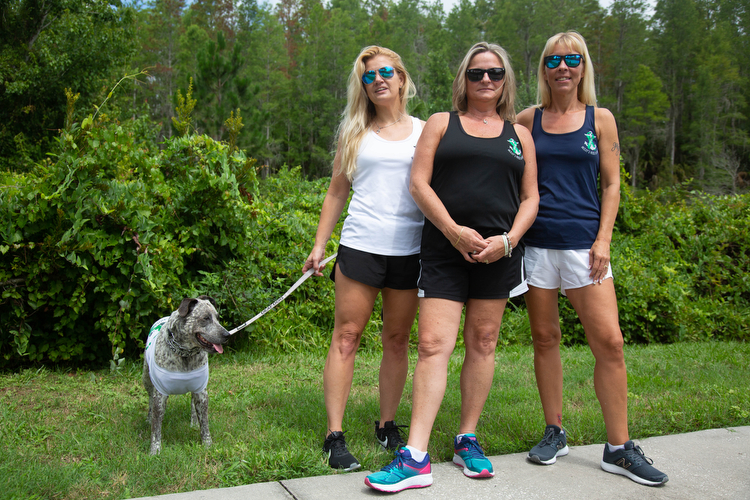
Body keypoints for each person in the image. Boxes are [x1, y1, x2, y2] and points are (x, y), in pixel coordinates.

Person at [364, 42, 539, 492]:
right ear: (464, 78)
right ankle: (416, 457)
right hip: (445, 249)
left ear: (505, 81)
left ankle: (467, 439)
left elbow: (531, 197)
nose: (486, 81)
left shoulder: (519, 135)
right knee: (433, 344)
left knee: (483, 341)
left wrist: (508, 240)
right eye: (477, 73)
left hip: (497, 253)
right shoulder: (443, 124)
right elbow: (418, 183)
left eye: (495, 74)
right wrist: (453, 231)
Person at [516, 31, 668, 486]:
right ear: (544, 67)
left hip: (585, 246)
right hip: (538, 246)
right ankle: (554, 430)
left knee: (611, 342)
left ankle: (618, 448)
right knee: (545, 339)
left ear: (584, 67)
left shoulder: (600, 119)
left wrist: (603, 241)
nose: (563, 67)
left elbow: (611, 186)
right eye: (554, 59)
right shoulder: (528, 119)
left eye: (573, 59)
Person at [302, 46, 426, 472]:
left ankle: (387, 425)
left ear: (403, 78)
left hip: (411, 251)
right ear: (364, 86)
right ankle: (334, 436)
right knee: (346, 337)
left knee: (396, 340)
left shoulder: (427, 132)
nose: (379, 80)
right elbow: (337, 191)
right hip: (360, 248)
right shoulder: (354, 133)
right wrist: (320, 244)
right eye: (369, 76)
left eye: (386, 72)